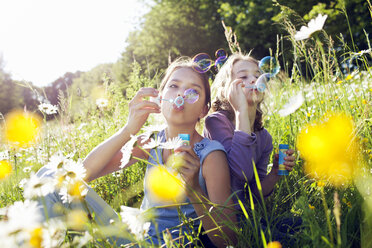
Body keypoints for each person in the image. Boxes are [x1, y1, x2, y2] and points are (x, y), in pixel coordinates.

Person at [36, 57, 237, 247]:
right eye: (173, 86)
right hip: (134, 238)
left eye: (193, 91)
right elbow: (82, 174)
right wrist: (128, 130)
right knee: (51, 175)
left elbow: (228, 240)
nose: (180, 94)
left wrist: (194, 189)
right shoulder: (151, 142)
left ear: (203, 110)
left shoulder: (210, 155)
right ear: (160, 98)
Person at [203, 53, 296, 210]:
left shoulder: (264, 138)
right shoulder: (216, 122)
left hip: (245, 216)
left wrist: (275, 173)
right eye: (243, 77)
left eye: (258, 75)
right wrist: (241, 111)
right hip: (219, 218)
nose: (254, 80)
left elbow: (254, 194)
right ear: (226, 89)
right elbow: (241, 172)